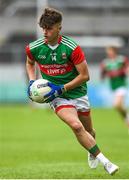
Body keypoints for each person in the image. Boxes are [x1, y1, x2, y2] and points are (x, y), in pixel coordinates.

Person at [26, 7, 119, 175]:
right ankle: (106, 162)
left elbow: (85, 76)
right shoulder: (34, 47)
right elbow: (29, 62)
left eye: (49, 28)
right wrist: (32, 81)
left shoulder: (71, 48)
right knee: (76, 126)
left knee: (88, 130)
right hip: (56, 98)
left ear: (59, 28)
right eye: (43, 28)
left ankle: (91, 149)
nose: (45, 32)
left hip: (77, 92)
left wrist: (61, 88)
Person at [100, 46, 129, 130]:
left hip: (121, 85)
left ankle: (127, 117)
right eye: (108, 51)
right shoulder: (106, 62)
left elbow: (126, 68)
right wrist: (103, 75)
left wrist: (125, 71)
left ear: (114, 51)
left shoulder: (121, 59)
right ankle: (126, 117)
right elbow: (103, 72)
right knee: (118, 106)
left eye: (110, 51)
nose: (109, 52)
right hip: (113, 86)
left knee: (117, 104)